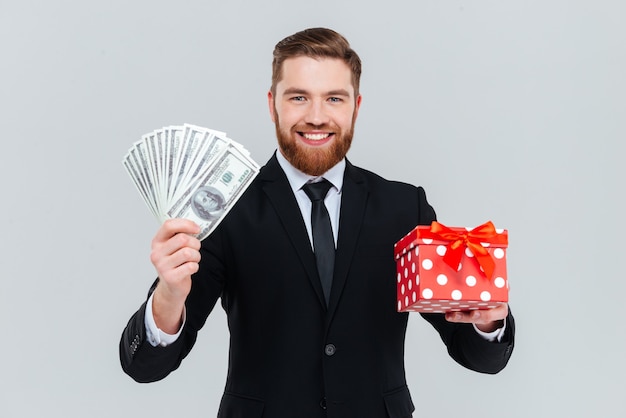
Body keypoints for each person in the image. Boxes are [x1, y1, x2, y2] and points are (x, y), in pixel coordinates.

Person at [120, 27, 515, 418]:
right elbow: (145, 367)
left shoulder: (403, 208)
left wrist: (487, 322)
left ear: (355, 107)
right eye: (298, 97)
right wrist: (169, 294)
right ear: (273, 104)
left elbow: (478, 356)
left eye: (334, 99)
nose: (316, 117)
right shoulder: (227, 209)